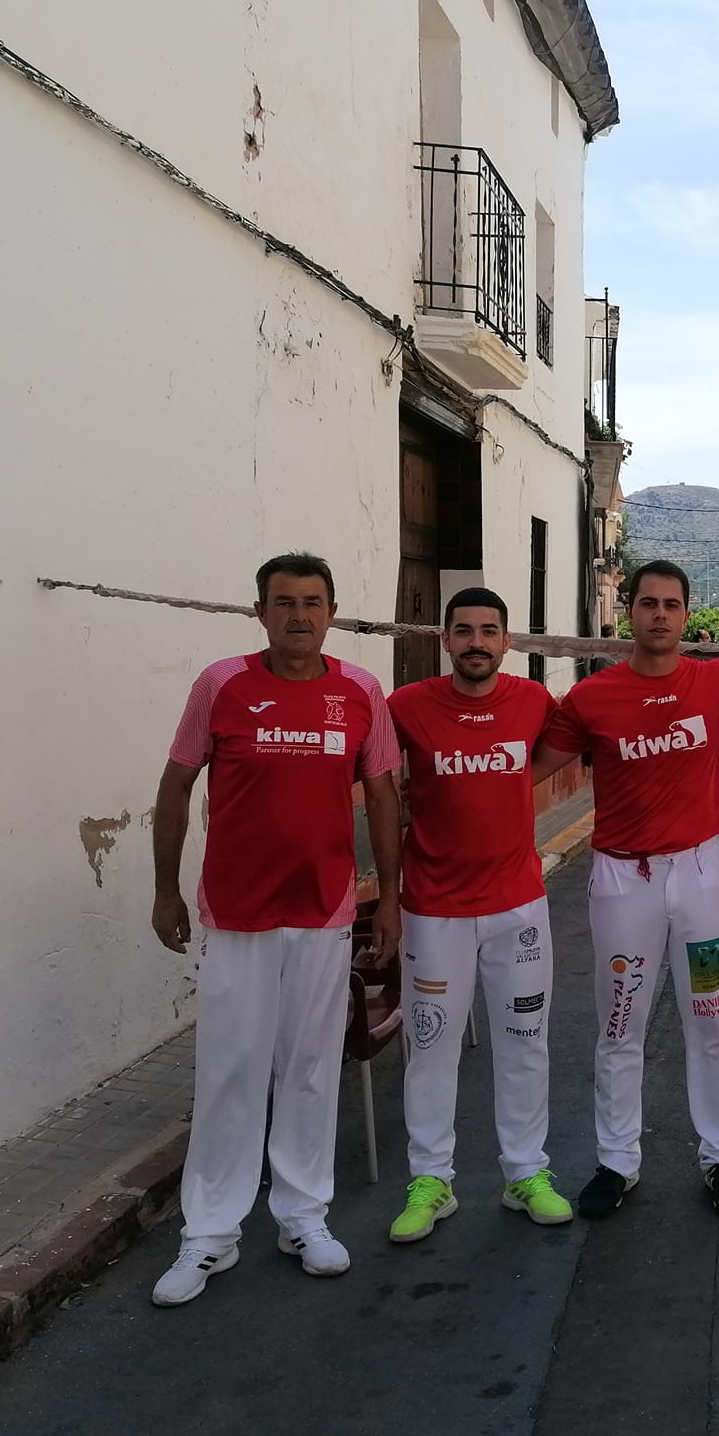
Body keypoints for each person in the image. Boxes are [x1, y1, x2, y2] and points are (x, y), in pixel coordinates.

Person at [148, 552, 401, 1306]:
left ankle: (302, 1216)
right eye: (284, 602)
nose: (299, 615)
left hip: (322, 912)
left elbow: (384, 797)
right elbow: (175, 785)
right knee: (231, 1067)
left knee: (310, 1066)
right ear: (259, 612)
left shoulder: (360, 691)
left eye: (313, 602)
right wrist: (165, 891)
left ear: (331, 612)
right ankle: (210, 1234)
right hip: (236, 912)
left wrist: (388, 900)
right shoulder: (221, 684)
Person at [531, 560, 719, 1220]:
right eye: (648, 603)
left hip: (702, 875)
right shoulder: (592, 698)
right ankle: (616, 1161)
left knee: (712, 1018)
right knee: (620, 1022)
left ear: (688, 615)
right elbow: (531, 769)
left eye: (672, 604)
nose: (660, 614)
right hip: (624, 880)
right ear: (629, 612)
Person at [385, 587, 572, 1241]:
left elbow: (561, 751)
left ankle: (526, 1173)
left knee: (525, 1046)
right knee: (432, 1048)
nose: (476, 642)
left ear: (507, 641)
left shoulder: (531, 702)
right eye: (463, 630)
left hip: (517, 908)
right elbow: (373, 773)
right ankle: (432, 1181)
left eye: (489, 631)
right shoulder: (407, 706)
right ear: (445, 639)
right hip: (433, 911)